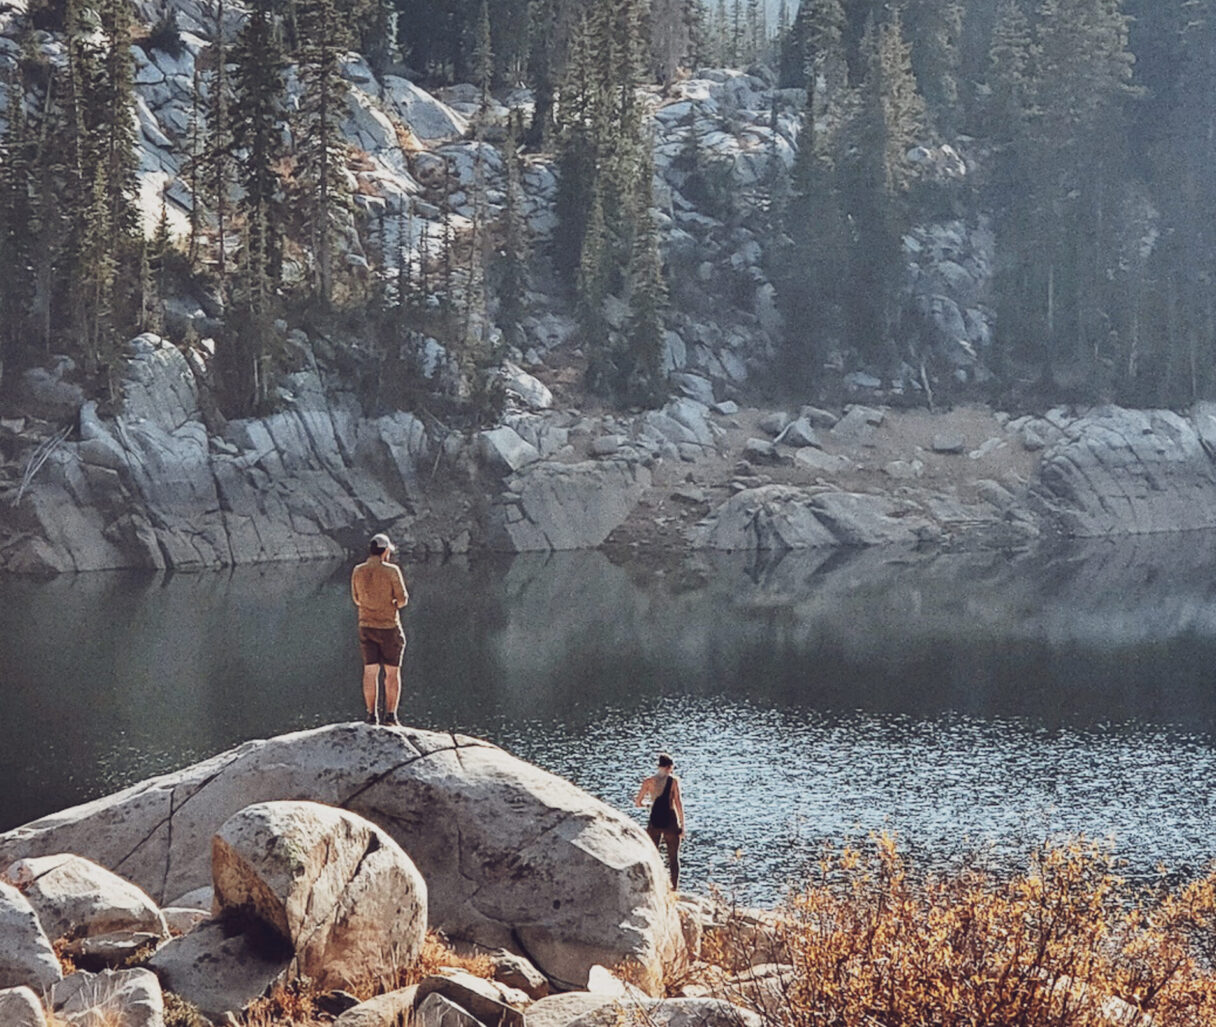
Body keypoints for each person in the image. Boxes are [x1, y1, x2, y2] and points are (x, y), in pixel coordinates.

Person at [351, 533, 409, 726]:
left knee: (370, 671)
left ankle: (371, 715)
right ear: (385, 552)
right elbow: (402, 599)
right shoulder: (392, 571)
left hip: (366, 626)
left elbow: (356, 599)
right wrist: (390, 604)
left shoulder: (358, 570)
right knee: (392, 673)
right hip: (389, 627)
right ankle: (391, 716)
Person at [635, 753, 685, 889]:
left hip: (654, 821)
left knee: (652, 854)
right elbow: (678, 803)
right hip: (671, 820)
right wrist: (682, 825)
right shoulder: (673, 781)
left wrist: (647, 805)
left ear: (659, 766)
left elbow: (638, 802)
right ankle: (674, 888)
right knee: (673, 858)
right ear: (670, 767)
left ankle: (653, 885)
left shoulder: (648, 781)